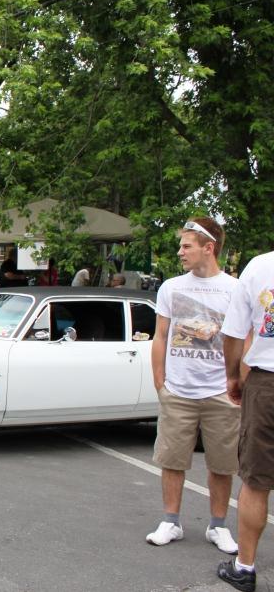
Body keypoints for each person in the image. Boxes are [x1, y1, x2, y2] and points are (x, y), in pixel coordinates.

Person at [146, 217, 240, 557]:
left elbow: (243, 339)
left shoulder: (233, 289)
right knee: (172, 459)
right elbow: (160, 335)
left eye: (186, 246)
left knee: (222, 462)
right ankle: (171, 521)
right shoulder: (171, 287)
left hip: (220, 392)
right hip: (179, 390)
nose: (180, 252)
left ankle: (218, 526)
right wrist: (161, 382)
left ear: (208, 248)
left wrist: (237, 384)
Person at [215, 247, 274, 591]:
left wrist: (233, 376)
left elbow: (234, 333)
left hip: (267, 383)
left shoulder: (261, 266)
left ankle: (245, 566)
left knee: (256, 480)